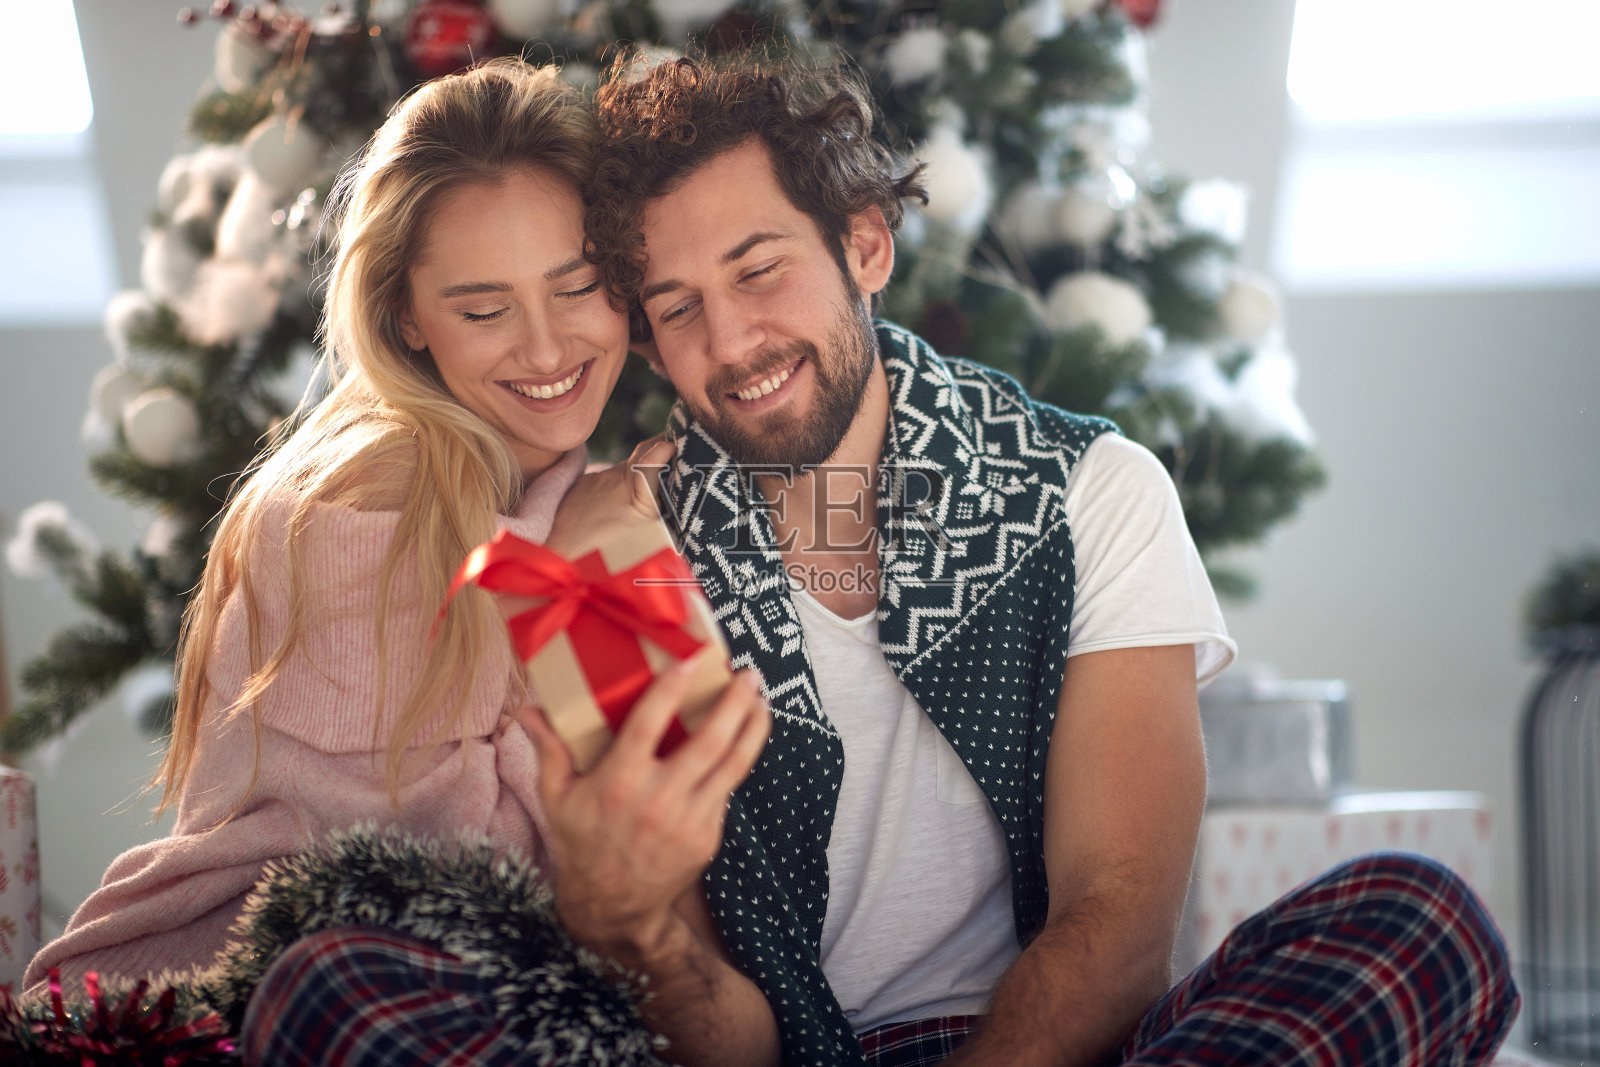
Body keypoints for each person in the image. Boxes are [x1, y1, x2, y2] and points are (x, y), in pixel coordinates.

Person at [234, 50, 1518, 1067]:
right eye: (676, 307)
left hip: (1059, 1045)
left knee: (1417, 921)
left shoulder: (1096, 492)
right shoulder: (610, 551)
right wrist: (629, 925)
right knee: (335, 990)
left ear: (863, 244)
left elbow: (1118, 924)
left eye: (759, 271)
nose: (732, 340)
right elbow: (721, 1032)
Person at [23, 57, 772, 1063]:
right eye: (483, 308)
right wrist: (577, 572)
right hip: (281, 982)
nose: (546, 348)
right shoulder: (363, 495)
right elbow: (440, 878)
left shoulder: (585, 497)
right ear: (408, 316)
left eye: (578, 285)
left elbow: (670, 880)